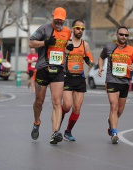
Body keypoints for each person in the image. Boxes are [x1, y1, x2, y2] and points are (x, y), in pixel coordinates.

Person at [29, 7, 73, 144]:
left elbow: (66, 46)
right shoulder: (43, 29)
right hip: (43, 68)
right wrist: (45, 42)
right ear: (53, 18)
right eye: (57, 19)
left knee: (56, 102)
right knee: (39, 101)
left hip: (58, 69)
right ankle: (37, 122)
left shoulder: (67, 31)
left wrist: (69, 49)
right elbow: (31, 42)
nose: (59, 22)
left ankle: (55, 132)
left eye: (61, 20)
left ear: (64, 19)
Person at [98, 26, 133, 144]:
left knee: (120, 111)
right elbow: (101, 57)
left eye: (126, 35)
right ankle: (114, 133)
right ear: (116, 35)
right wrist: (101, 67)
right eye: (122, 34)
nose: (124, 37)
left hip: (125, 82)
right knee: (114, 106)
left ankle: (111, 122)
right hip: (112, 80)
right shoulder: (109, 47)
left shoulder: (132, 50)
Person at [60, 19, 94, 141]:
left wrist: (88, 61)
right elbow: (59, 59)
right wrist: (66, 52)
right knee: (67, 105)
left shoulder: (85, 44)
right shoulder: (66, 42)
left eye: (82, 29)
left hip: (79, 78)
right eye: (78, 28)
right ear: (73, 29)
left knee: (77, 108)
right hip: (67, 78)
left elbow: (91, 62)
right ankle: (57, 124)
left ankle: (68, 131)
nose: (80, 31)